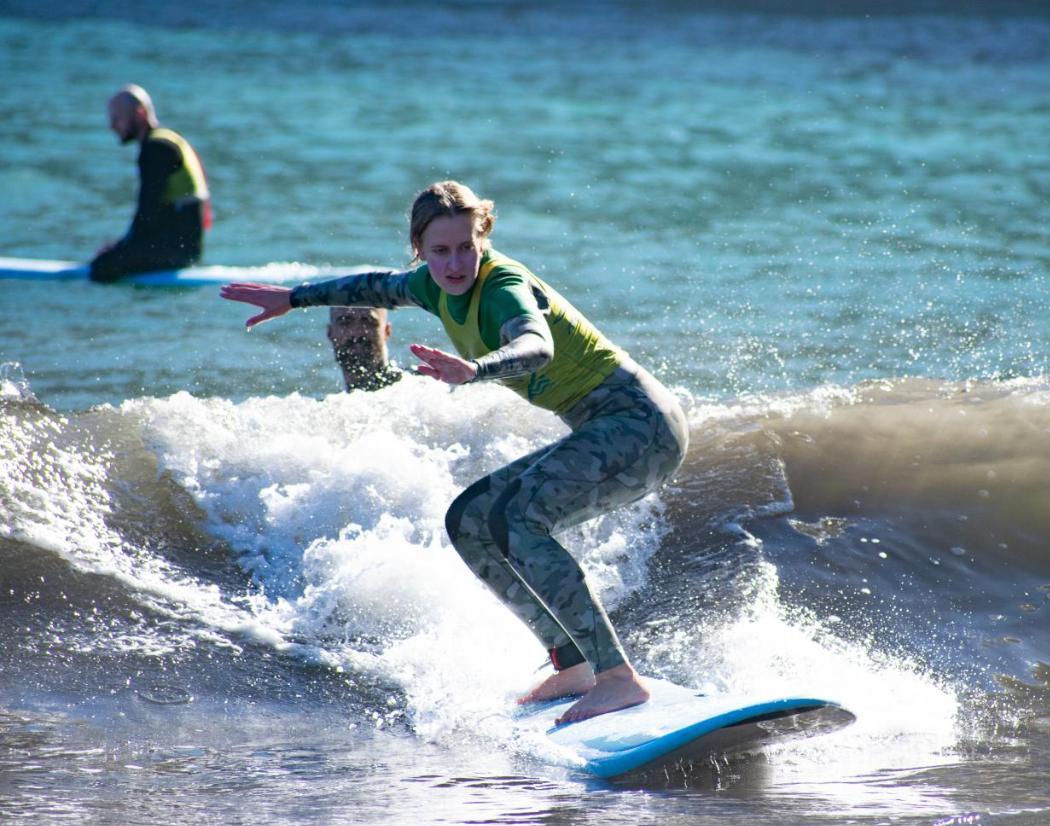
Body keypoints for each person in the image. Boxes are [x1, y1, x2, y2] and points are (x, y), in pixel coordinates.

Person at [221, 180, 688, 724]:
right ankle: (573, 663)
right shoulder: (430, 284)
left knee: (522, 520)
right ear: (420, 249)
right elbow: (376, 286)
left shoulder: (503, 285)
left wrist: (477, 369)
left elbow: (537, 345)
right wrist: (293, 298)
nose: (456, 263)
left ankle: (616, 678)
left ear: (482, 236)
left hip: (641, 424)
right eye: (440, 251)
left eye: (467, 246)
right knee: (469, 520)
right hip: (608, 427)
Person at [90, 84, 211, 283]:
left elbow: (147, 212)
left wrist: (119, 250)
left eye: (116, 118)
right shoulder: (170, 137)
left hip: (176, 251)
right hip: (185, 247)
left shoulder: (156, 148)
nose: (112, 126)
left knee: (102, 267)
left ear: (140, 113)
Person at [328, 306, 403, 392]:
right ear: (330, 333)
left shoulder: (411, 386)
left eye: (368, 322)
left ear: (387, 331)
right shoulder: (329, 403)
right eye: (345, 322)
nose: (357, 333)